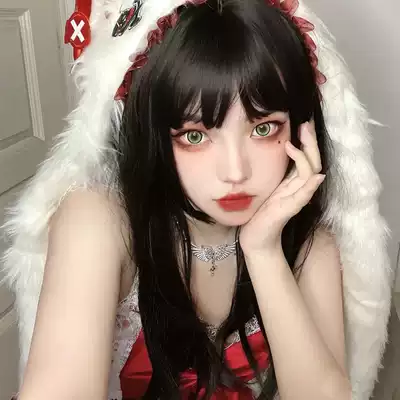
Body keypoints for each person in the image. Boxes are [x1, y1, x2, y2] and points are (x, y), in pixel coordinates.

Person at [1, 0, 392, 399]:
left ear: (301, 129)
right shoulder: (99, 221)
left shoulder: (311, 247)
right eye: (195, 135)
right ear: (153, 135)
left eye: (263, 128)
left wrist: (263, 251)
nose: (235, 171)